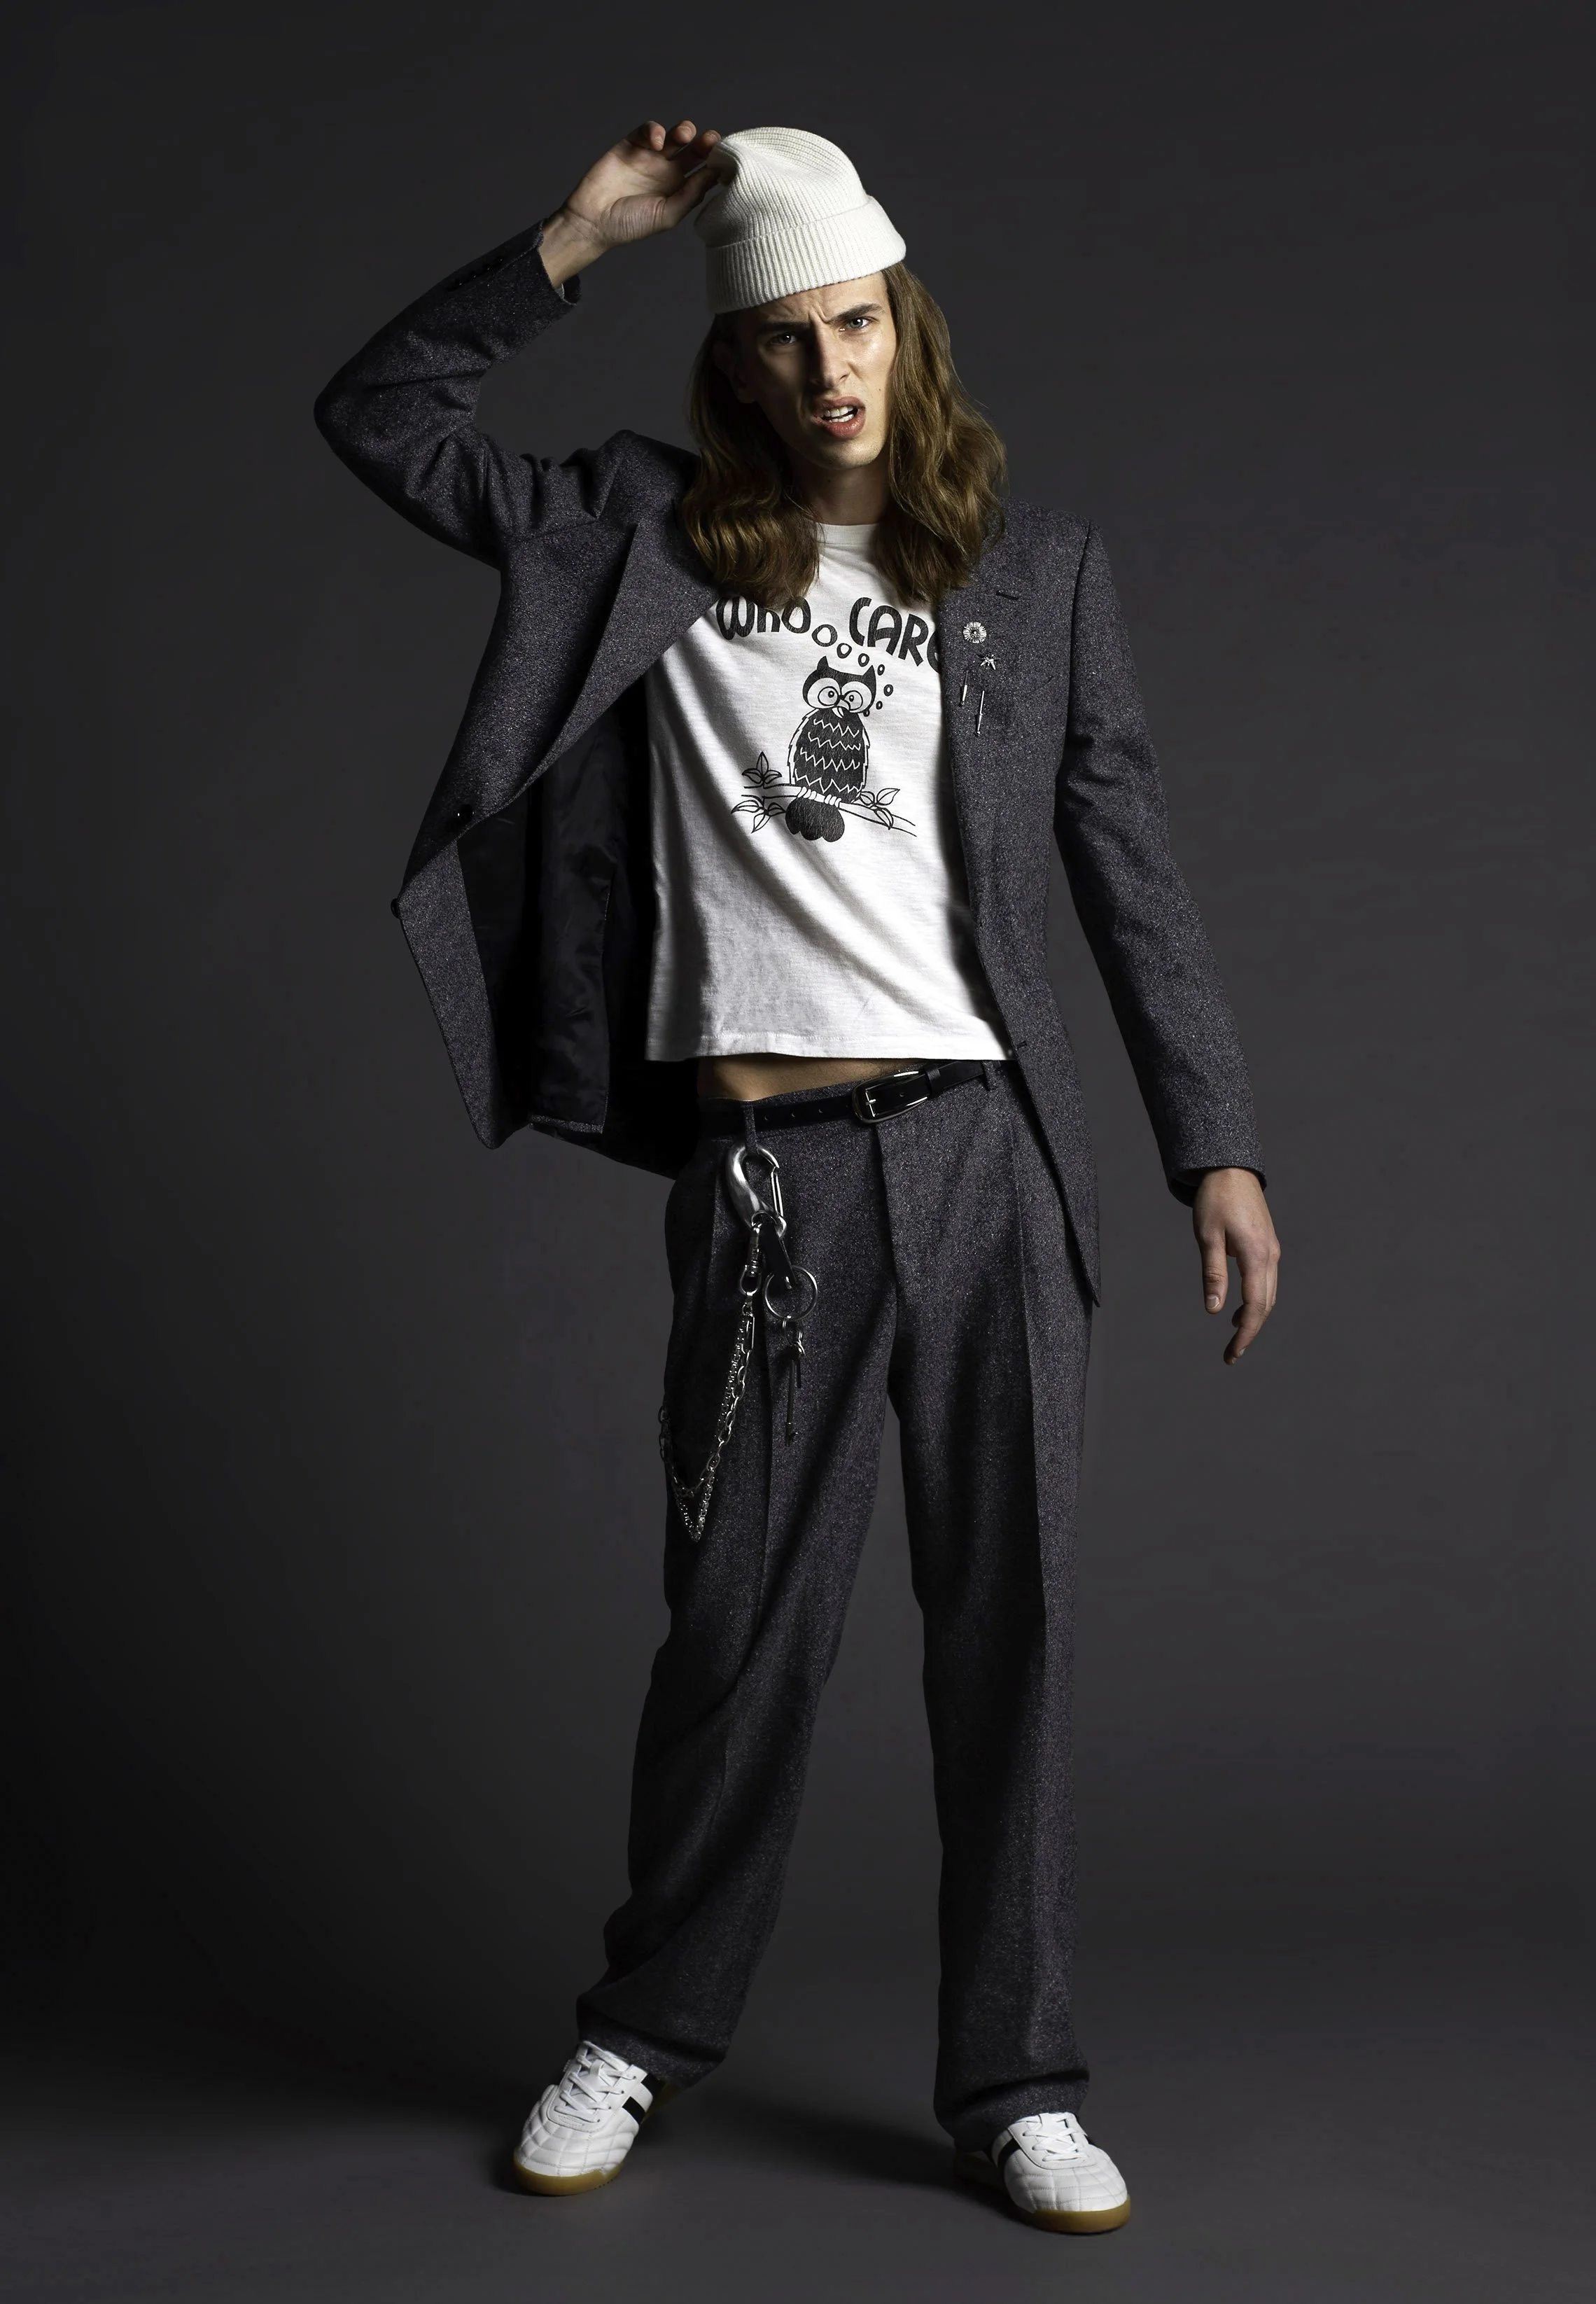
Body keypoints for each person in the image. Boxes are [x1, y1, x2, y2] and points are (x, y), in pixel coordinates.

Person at [314, 117, 1280, 2236]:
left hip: (991, 1161)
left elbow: (1129, 873)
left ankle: (1018, 2082)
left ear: (903, 328)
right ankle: (645, 2031)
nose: (831, 369)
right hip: (769, 1182)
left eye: (856, 324)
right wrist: (576, 238)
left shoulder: (1034, 577)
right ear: (735, 362)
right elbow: (378, 418)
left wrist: (1210, 1140)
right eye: (785, 336)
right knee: (738, 1635)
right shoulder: (634, 536)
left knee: (1011, 1641)